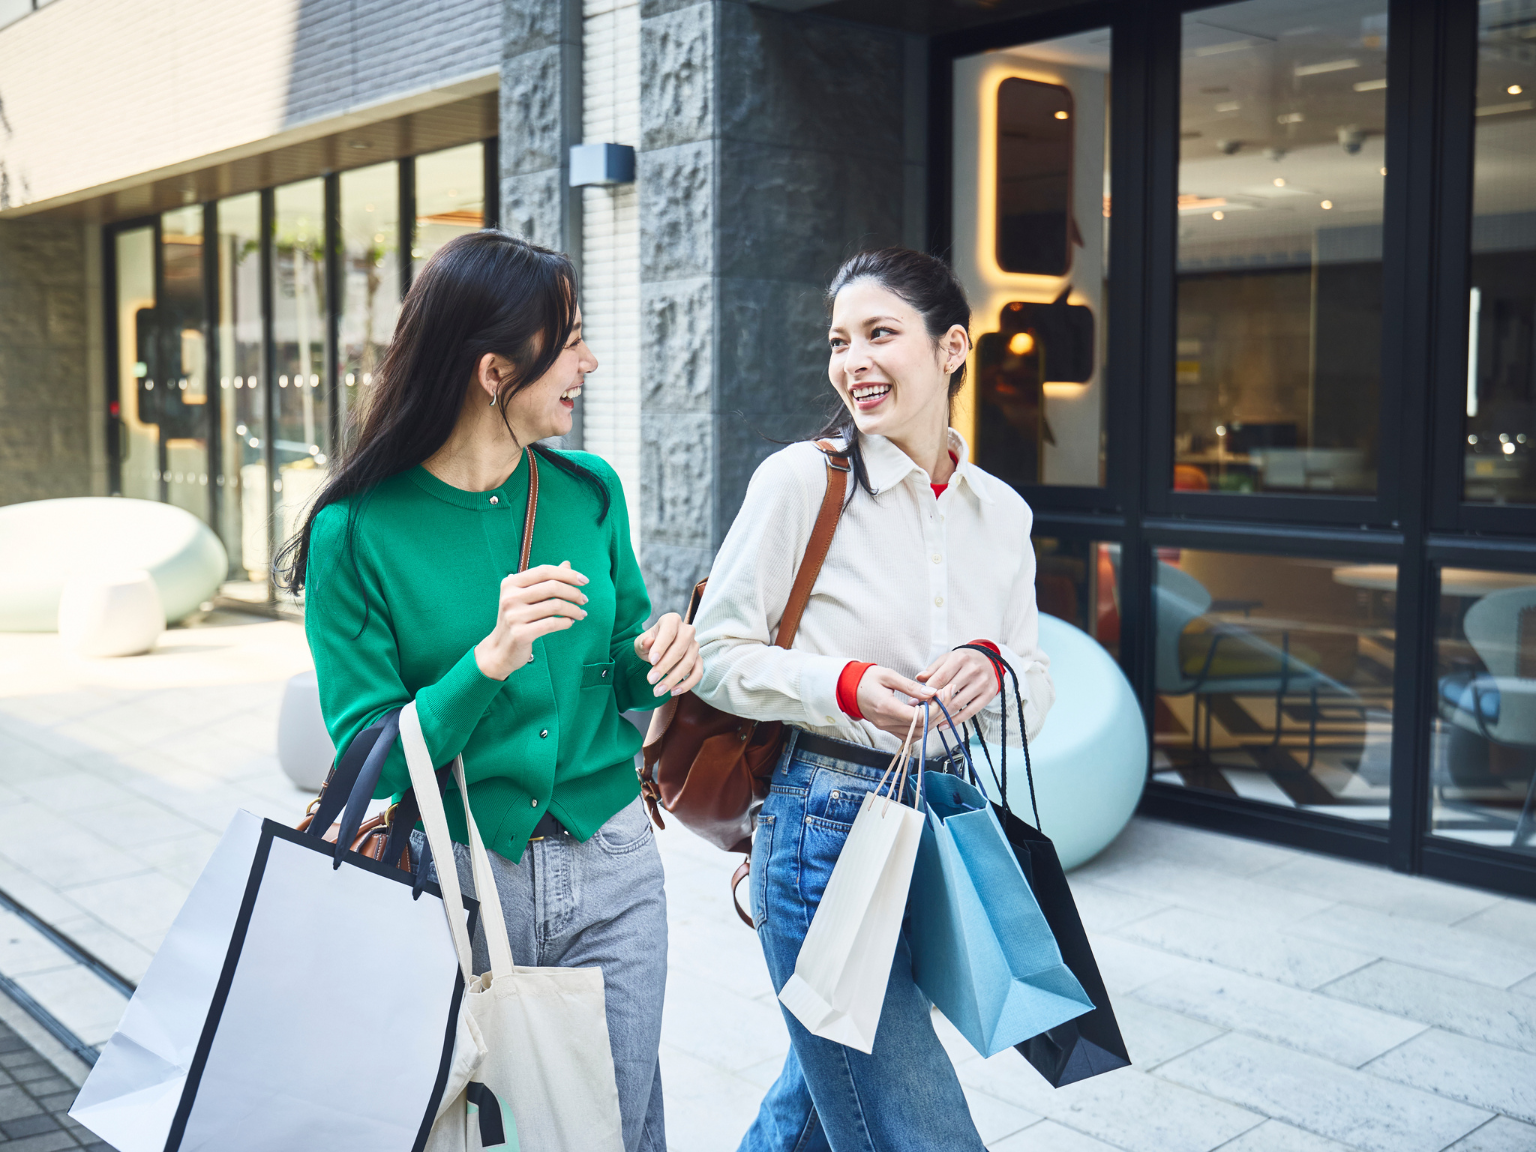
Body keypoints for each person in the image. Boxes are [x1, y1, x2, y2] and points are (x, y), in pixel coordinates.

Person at [280, 229, 700, 1152]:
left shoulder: (590, 491)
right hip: (460, 879)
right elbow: (371, 755)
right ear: (495, 371)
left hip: (616, 861)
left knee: (616, 1126)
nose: (589, 363)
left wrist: (661, 653)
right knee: (479, 1130)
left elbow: (621, 654)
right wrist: (489, 660)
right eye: (574, 341)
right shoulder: (355, 534)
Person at [692, 247, 1054, 1151]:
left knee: (814, 1107)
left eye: (880, 334)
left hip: (939, 821)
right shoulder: (800, 482)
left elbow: (1036, 690)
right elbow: (711, 658)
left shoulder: (1002, 515)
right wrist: (843, 684)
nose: (853, 361)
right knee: (915, 1126)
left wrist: (993, 672)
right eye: (838, 340)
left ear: (953, 348)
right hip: (820, 822)